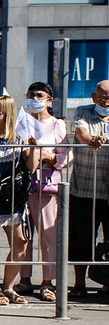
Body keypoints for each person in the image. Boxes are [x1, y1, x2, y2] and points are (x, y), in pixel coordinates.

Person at [0, 95, 38, 305]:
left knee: (20, 242)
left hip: (11, 197)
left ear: (9, 115)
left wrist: (33, 149)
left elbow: (30, 168)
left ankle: (9, 287)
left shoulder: (19, 138)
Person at [16, 82, 70, 301]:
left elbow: (66, 156)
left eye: (39, 95)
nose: (34, 99)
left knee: (48, 234)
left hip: (46, 184)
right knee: (22, 235)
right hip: (21, 183)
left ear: (49, 100)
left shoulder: (57, 124)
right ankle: (24, 279)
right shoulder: (21, 121)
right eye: (31, 95)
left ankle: (47, 282)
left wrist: (45, 155)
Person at [68, 79, 109, 297]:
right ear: (94, 98)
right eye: (101, 98)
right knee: (81, 238)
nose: (105, 102)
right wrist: (91, 140)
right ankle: (79, 283)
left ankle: (106, 282)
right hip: (84, 188)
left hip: (108, 190)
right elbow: (80, 133)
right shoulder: (83, 111)